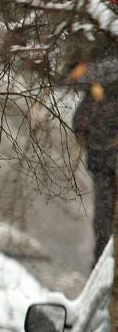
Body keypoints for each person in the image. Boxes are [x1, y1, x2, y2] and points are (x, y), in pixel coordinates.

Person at [72, 81, 118, 267]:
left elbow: (78, 125)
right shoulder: (95, 97)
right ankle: (104, 259)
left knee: (103, 214)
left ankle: (102, 259)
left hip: (100, 164)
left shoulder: (93, 97)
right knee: (104, 215)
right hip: (103, 164)